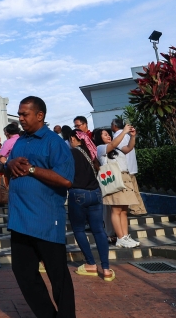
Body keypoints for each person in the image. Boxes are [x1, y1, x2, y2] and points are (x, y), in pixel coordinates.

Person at [7, 96, 78, 318]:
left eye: (25, 114)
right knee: (24, 275)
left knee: (60, 283)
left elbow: (66, 179)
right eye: (19, 114)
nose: (20, 118)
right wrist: (9, 165)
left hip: (47, 222)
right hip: (20, 221)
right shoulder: (20, 141)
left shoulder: (54, 143)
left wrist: (32, 169)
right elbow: (8, 166)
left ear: (40, 115)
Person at [60, 127, 113, 281]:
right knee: (99, 230)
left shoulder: (71, 153)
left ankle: (90, 263)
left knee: (79, 229)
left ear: (73, 139)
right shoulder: (90, 152)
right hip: (96, 193)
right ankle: (106, 269)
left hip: (78, 194)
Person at [103, 119, 141, 249]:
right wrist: (124, 132)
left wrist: (133, 136)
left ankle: (125, 236)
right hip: (115, 180)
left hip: (124, 177)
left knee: (124, 210)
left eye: (108, 134)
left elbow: (129, 148)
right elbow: (113, 144)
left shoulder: (116, 148)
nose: (108, 136)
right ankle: (120, 238)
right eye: (105, 135)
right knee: (116, 210)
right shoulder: (101, 148)